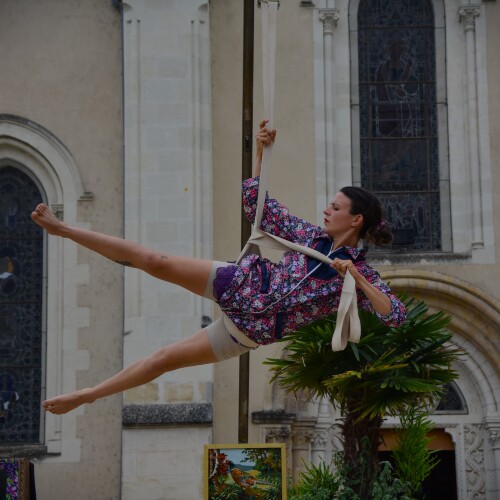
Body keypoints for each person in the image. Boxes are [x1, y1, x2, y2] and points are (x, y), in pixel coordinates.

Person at [32, 120, 406, 415]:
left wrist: (354, 277)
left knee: (163, 360)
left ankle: (89, 395)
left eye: (336, 208)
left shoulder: (361, 275)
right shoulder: (307, 235)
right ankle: (65, 229)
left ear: (355, 221)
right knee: (152, 261)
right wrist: (260, 151)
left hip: (248, 330)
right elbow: (255, 205)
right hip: (241, 283)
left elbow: (395, 316)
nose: (327, 210)